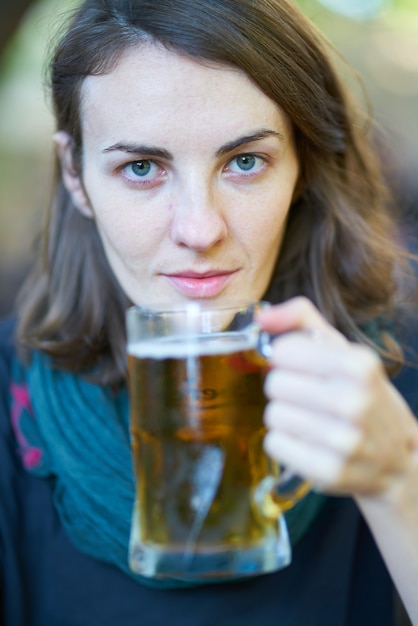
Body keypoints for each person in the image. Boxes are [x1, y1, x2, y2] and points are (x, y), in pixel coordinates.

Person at [1, 0, 417, 624]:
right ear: (76, 173)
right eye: (142, 167)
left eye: (245, 162)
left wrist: (398, 484)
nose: (200, 228)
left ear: (302, 164)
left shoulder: (397, 370)